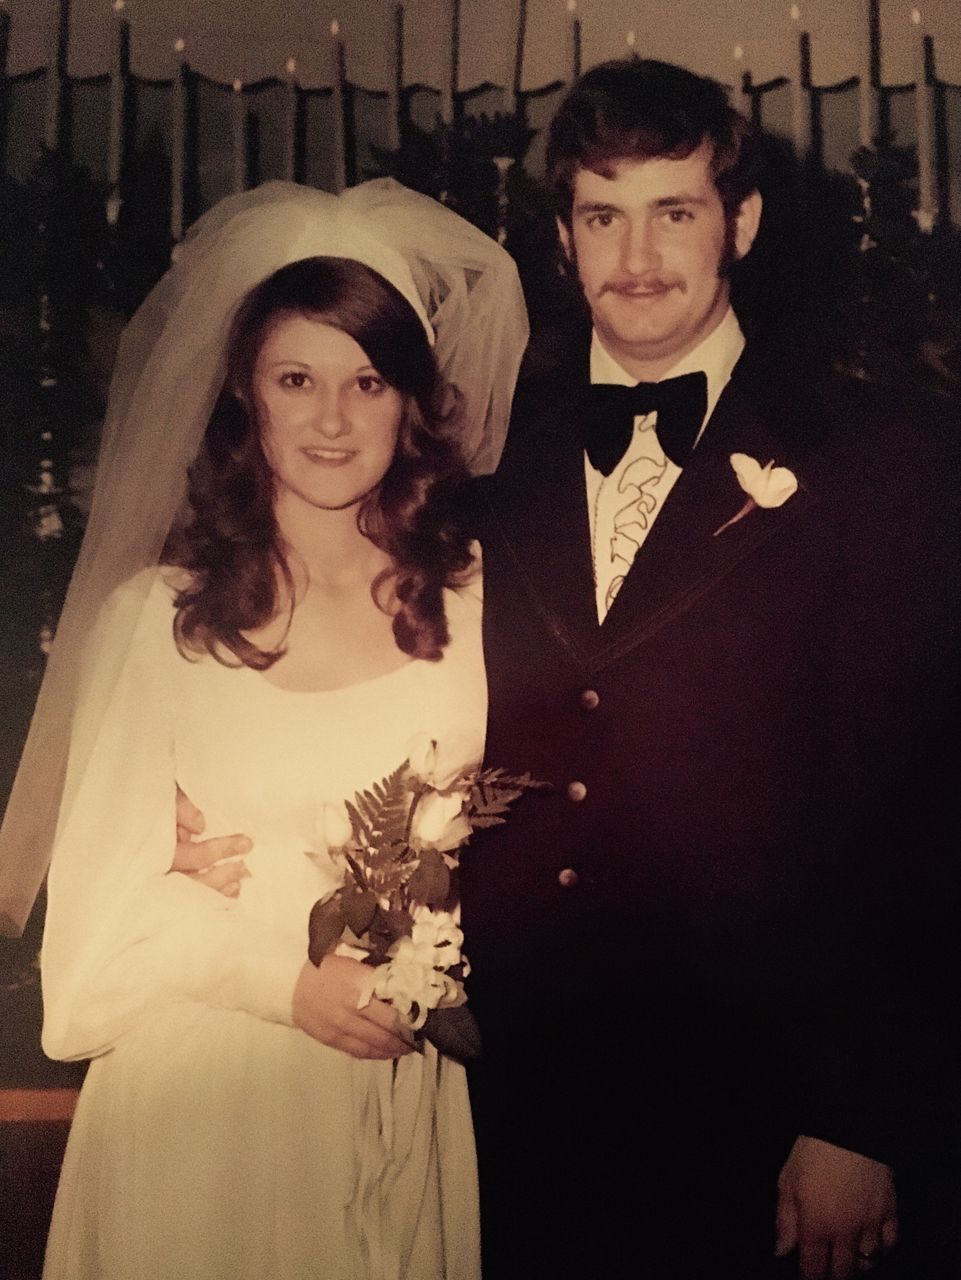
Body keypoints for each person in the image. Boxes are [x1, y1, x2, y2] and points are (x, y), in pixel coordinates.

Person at [458, 59, 960, 1280]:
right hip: (514, 1105)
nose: (634, 255)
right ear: (564, 240)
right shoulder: (491, 463)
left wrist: (858, 1111)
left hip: (766, 1110)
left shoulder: (877, 458)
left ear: (738, 222)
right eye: (600, 214)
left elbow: (919, 814)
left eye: (671, 211)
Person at [0, 180, 527, 1280]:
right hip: (210, 1105)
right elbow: (84, 962)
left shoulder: (479, 606)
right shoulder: (160, 624)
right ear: (248, 394)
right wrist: (274, 977)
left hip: (402, 1089)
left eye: (367, 381)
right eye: (298, 379)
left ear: (410, 403)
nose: (332, 420)